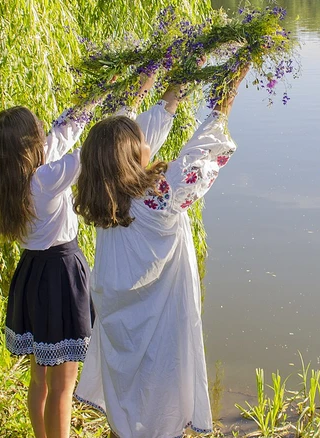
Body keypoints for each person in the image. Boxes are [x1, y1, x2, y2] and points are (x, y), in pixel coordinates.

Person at [72, 64, 250, 438]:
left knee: (128, 395)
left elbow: (121, 139)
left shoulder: (105, 194)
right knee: (160, 396)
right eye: (140, 142)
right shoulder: (160, 199)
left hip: (119, 315)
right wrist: (222, 108)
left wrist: (172, 90)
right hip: (156, 317)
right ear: (134, 155)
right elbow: (198, 157)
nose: (146, 140)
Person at [0, 92, 106, 438]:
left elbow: (63, 135)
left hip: (32, 276)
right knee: (63, 384)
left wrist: (98, 95)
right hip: (60, 276)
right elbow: (89, 154)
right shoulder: (45, 180)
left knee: (39, 376)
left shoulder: (12, 180)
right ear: (29, 147)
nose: (45, 133)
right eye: (38, 132)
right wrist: (122, 111)